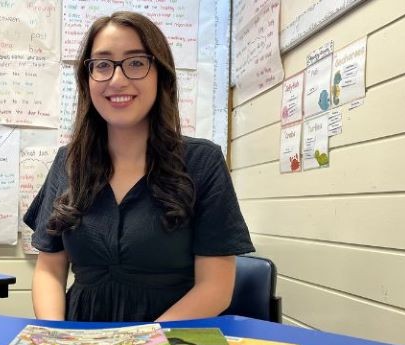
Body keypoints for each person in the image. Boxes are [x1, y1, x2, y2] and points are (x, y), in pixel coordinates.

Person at [24, 11, 254, 322]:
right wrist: (55, 337)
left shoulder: (203, 162)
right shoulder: (68, 162)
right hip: (80, 343)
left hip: (171, 344)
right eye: (102, 65)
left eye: (136, 63)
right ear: (87, 79)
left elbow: (215, 286)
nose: (117, 80)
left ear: (161, 74)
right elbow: (50, 270)